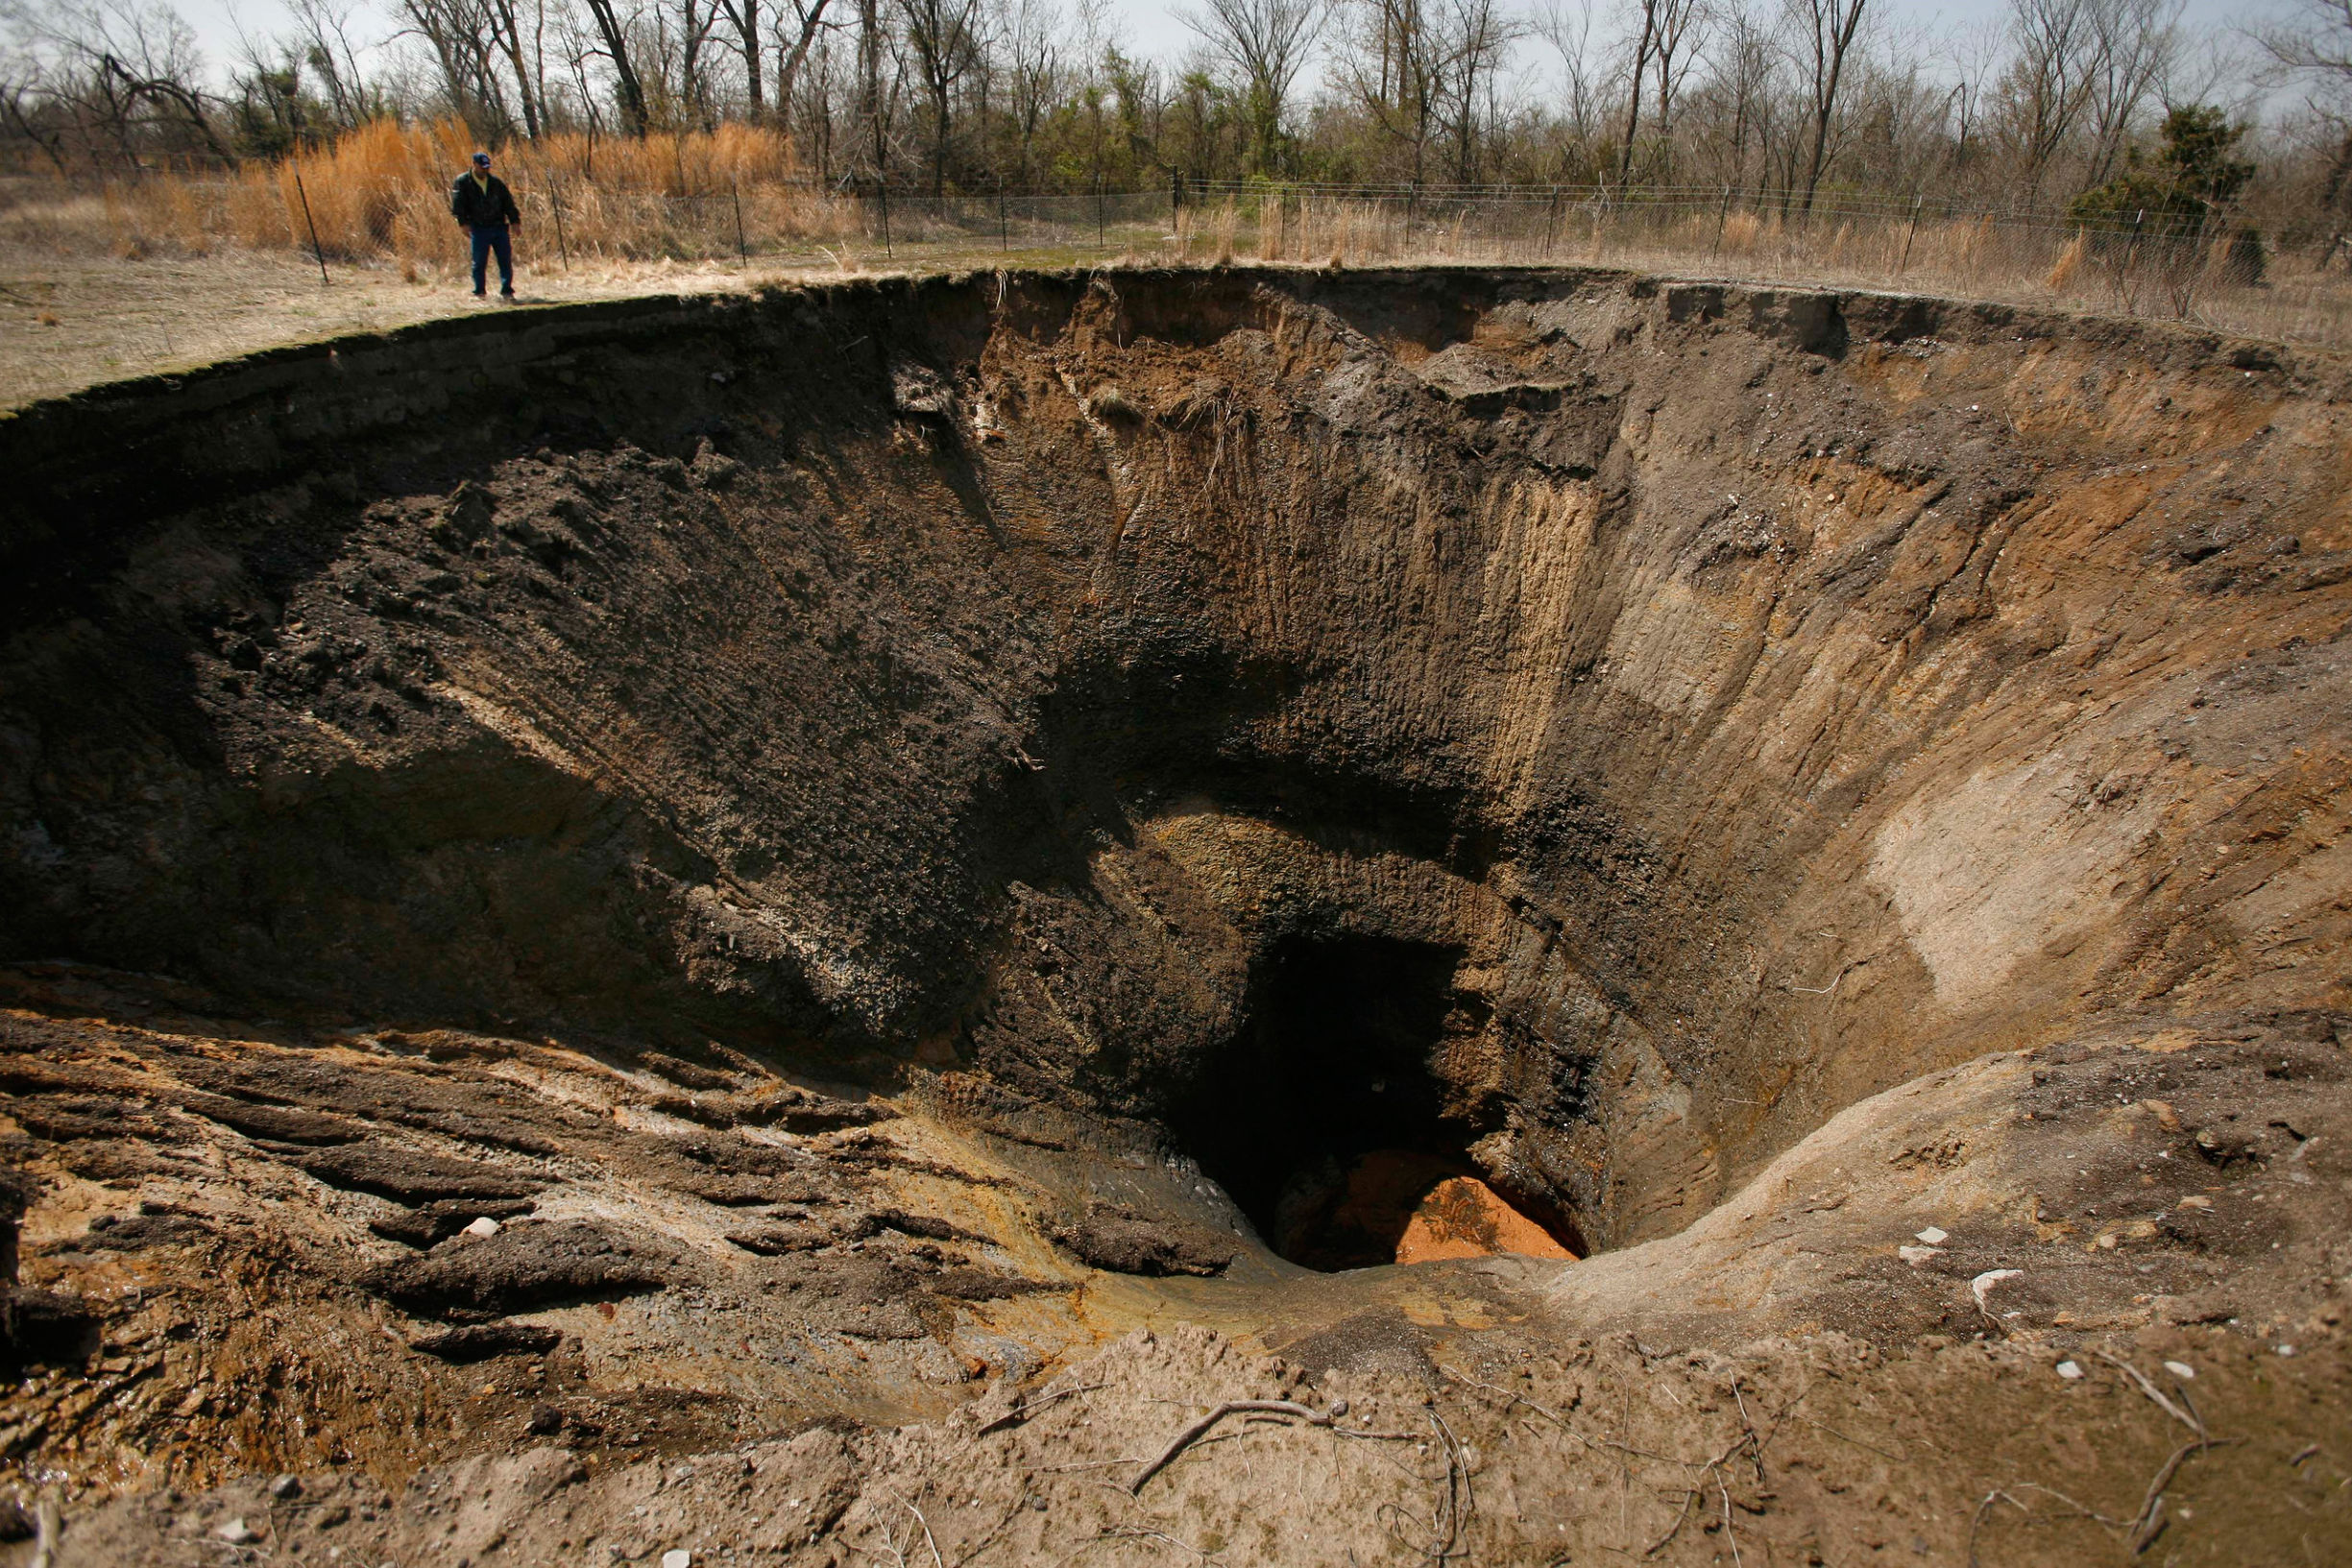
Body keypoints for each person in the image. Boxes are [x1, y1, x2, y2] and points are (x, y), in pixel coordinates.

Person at [449, 151, 521, 300]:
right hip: (479, 227)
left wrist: (515, 221)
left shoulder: (496, 183)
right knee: (479, 261)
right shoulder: (463, 182)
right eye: (482, 167)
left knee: (505, 260)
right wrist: (463, 223)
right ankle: (479, 291)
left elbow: (508, 203)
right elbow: (458, 205)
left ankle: (507, 290)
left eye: (487, 167)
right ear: (474, 165)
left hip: (499, 227)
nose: (485, 170)